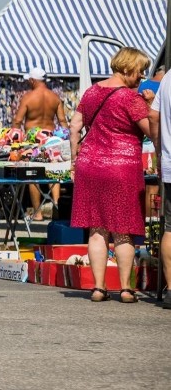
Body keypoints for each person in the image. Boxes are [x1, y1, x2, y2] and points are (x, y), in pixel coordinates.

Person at [70, 47, 151, 304]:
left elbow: (74, 126)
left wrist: (74, 160)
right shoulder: (131, 98)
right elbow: (151, 129)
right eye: (140, 71)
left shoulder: (92, 91)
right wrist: (149, 105)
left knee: (97, 229)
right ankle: (126, 289)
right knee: (123, 231)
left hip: (90, 165)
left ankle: (98, 288)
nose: (142, 76)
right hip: (121, 167)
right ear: (127, 68)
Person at [12, 66, 68, 221]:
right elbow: (63, 121)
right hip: (52, 138)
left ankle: (37, 213)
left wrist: (15, 141)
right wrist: (67, 141)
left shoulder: (28, 97)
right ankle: (57, 206)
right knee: (53, 172)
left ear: (32, 80)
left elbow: (17, 121)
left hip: (33, 138)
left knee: (33, 174)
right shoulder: (55, 97)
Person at [147, 66, 171, 309]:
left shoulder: (168, 78)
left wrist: (158, 147)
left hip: (170, 163)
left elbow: (153, 116)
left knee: (170, 228)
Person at [140, 65, 165, 216]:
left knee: (149, 185)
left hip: (143, 140)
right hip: (157, 139)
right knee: (156, 186)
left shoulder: (142, 86)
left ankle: (149, 225)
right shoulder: (166, 85)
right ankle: (155, 223)